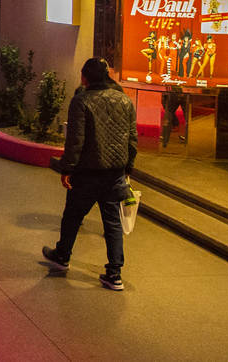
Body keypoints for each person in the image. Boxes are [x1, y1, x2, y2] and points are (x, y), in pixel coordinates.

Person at [42, 57, 138, 291]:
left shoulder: (81, 101)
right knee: (112, 223)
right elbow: (132, 138)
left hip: (87, 172)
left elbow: (76, 140)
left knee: (73, 215)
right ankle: (114, 273)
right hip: (115, 173)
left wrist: (67, 168)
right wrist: (128, 167)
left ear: (85, 78)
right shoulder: (125, 100)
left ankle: (62, 255)